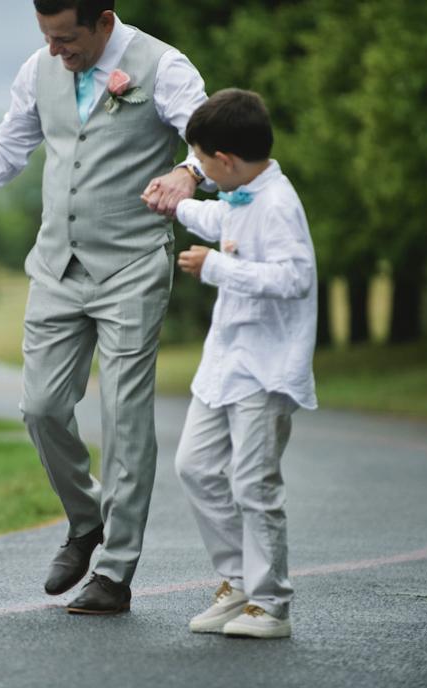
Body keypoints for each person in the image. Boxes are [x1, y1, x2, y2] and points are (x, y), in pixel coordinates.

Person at [0, 0, 211, 614]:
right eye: (47, 37)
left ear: (105, 22)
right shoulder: (39, 68)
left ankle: (115, 570)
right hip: (55, 267)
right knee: (41, 407)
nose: (56, 50)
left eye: (67, 38)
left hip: (132, 267)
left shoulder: (165, 66)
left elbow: (212, 140)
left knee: (125, 417)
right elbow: (8, 145)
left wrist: (188, 172)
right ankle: (86, 520)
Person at [171, 88, 317, 638]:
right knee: (195, 466)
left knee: (254, 484)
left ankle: (270, 603)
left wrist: (215, 269)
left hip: (265, 367)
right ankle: (237, 581)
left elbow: (294, 277)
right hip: (224, 364)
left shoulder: (278, 204)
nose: (201, 173)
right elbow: (220, 217)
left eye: (201, 163)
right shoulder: (243, 194)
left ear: (225, 161)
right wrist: (175, 202)